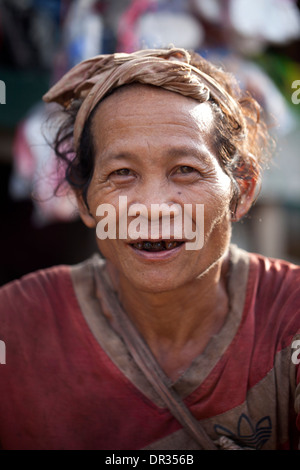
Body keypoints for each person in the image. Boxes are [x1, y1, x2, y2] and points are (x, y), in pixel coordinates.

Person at [0, 47, 299, 451]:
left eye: (186, 170)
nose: (154, 207)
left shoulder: (290, 318)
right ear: (84, 201)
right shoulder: (20, 323)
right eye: (122, 173)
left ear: (241, 189)